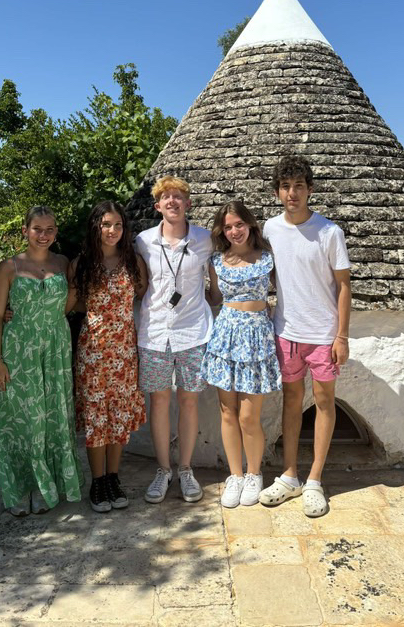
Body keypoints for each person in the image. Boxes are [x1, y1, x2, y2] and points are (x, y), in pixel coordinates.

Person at [259, 155, 351, 517]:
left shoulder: (330, 232)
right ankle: (290, 475)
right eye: (285, 187)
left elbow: (344, 286)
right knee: (291, 404)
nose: (292, 193)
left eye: (299, 186)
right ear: (278, 192)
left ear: (309, 190)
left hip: (324, 336)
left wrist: (341, 336)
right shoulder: (269, 229)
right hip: (287, 333)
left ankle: (314, 480)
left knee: (325, 403)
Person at [0, 206, 83, 516]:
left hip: (55, 346)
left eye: (50, 229)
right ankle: (21, 487)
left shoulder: (63, 262)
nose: (44, 235)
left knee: (53, 416)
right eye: (37, 229)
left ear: (56, 232)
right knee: (24, 419)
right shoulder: (9, 267)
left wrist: (73, 288)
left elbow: (67, 306)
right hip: (19, 350)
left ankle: (48, 485)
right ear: (26, 230)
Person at [135, 176, 213, 504]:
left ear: (188, 203)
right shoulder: (142, 241)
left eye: (179, 196)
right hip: (153, 333)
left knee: (189, 401)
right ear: (157, 206)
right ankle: (163, 470)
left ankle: (185, 468)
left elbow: (239, 255)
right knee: (160, 402)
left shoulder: (205, 239)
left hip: (193, 331)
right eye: (166, 197)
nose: (173, 201)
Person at [68, 201, 148, 513]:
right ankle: (97, 481)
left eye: (117, 225)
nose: (112, 230)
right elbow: (68, 304)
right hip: (93, 351)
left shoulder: (133, 262)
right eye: (105, 224)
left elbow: (146, 297)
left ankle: (113, 477)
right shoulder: (82, 264)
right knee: (96, 418)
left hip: (125, 351)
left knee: (119, 417)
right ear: (95, 227)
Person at [201, 201, 281, 508]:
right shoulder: (217, 260)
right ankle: (234, 476)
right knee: (228, 413)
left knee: (249, 416)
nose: (234, 231)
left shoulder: (268, 258)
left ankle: (254, 473)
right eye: (228, 226)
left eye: (239, 224)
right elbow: (214, 297)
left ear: (250, 225)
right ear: (222, 230)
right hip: (226, 336)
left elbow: (285, 291)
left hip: (257, 337)